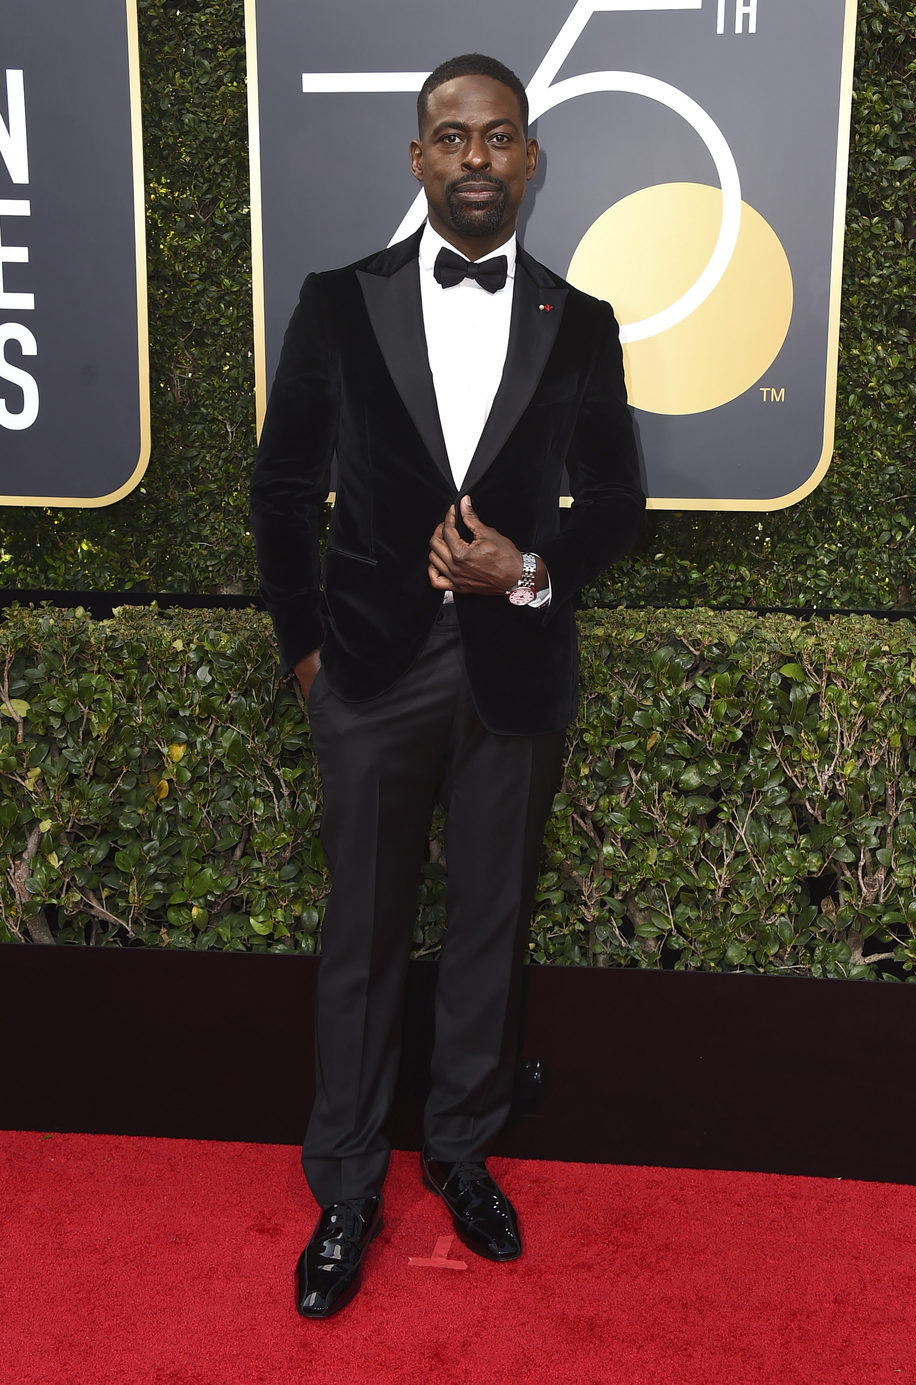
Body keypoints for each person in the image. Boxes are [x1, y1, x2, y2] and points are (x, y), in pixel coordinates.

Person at [250, 52, 645, 1319]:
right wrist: (305, 650)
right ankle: (347, 1185)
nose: (477, 157)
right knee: (360, 937)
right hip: (365, 668)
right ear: (418, 161)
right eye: (452, 138)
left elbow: (621, 500)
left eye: (500, 137)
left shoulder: (578, 323)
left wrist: (526, 565)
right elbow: (280, 484)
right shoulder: (336, 301)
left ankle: (463, 1152)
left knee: (488, 926)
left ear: (531, 159)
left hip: (514, 668)